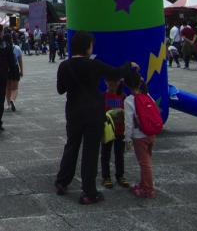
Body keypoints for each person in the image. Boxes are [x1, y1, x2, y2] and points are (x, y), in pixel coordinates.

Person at [54, 31, 137, 205]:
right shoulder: (94, 65)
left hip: (73, 112)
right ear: (87, 47)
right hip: (93, 113)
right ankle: (89, 192)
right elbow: (115, 73)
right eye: (91, 45)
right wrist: (129, 64)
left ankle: (62, 181)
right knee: (90, 152)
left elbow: (61, 89)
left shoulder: (64, 66)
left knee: (71, 146)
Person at [123, 70, 156, 199]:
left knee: (144, 162)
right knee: (147, 160)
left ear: (127, 84)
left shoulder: (129, 100)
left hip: (139, 136)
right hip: (151, 134)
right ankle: (144, 184)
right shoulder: (148, 95)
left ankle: (148, 190)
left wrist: (127, 139)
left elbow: (129, 123)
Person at [100, 77, 128, 189]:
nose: (113, 84)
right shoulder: (103, 97)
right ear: (106, 82)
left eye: (115, 82)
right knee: (105, 154)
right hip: (107, 131)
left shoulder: (123, 96)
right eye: (110, 82)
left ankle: (120, 175)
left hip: (120, 130)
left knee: (119, 154)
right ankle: (106, 177)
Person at [6, 33, 23, 112]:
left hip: (5, 69)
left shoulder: (3, 48)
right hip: (15, 69)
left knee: (7, 88)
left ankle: (8, 104)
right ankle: (12, 99)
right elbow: (20, 61)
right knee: (15, 88)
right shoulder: (17, 48)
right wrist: (21, 70)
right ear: (12, 39)